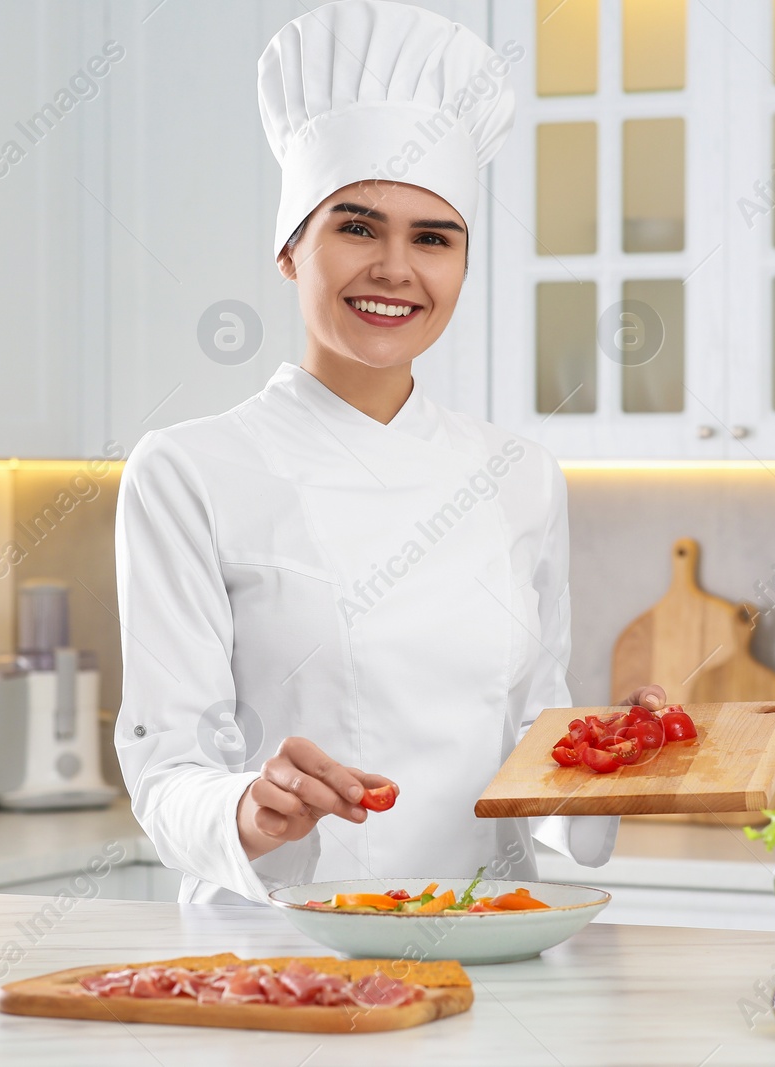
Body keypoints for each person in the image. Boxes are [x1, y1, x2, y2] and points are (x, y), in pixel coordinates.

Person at [115, 0, 665, 905]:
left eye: (434, 238)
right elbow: (167, 767)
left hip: (492, 939)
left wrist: (612, 761)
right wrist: (253, 808)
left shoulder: (520, 475)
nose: (396, 270)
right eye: (358, 227)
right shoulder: (186, 471)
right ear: (293, 250)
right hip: (287, 954)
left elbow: (533, 736)